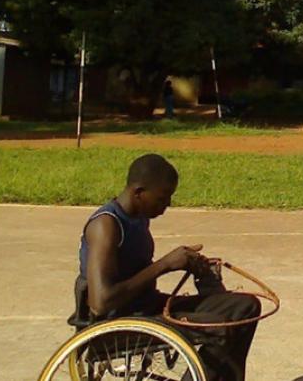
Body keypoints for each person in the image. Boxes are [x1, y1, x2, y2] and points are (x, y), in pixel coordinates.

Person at [78, 153, 260, 381]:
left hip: (147, 305)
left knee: (246, 307)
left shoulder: (138, 217)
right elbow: (101, 303)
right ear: (139, 192)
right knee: (219, 327)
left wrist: (195, 268)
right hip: (121, 320)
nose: (168, 205)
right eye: (163, 198)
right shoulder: (106, 225)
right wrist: (165, 265)